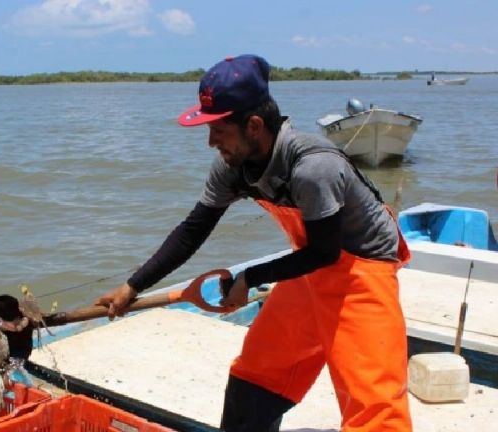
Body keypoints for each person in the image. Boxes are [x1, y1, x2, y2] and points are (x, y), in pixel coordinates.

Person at [95, 54, 412, 431]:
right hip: (308, 267)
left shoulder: (313, 168)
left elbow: (325, 251)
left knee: (375, 410)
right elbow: (193, 229)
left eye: (219, 130)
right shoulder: (233, 168)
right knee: (256, 375)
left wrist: (250, 276)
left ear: (254, 126)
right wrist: (132, 287)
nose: (211, 142)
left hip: (363, 271)